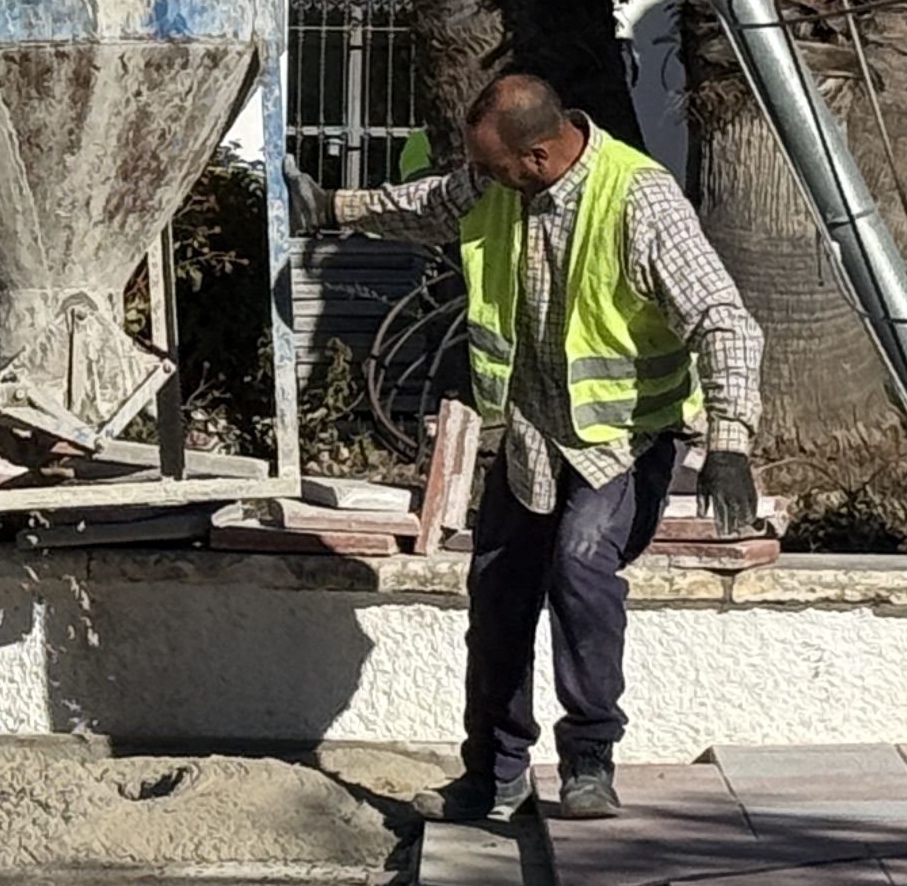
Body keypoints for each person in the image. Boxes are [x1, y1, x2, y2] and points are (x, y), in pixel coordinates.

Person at [291, 72, 764, 822]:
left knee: (582, 562)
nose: (475, 182)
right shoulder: (495, 186)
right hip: (533, 438)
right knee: (500, 593)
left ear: (539, 155)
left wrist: (730, 441)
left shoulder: (639, 199)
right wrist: (333, 208)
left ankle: (589, 762)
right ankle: (492, 773)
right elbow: (426, 205)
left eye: (489, 167)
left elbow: (723, 318)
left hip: (624, 441)